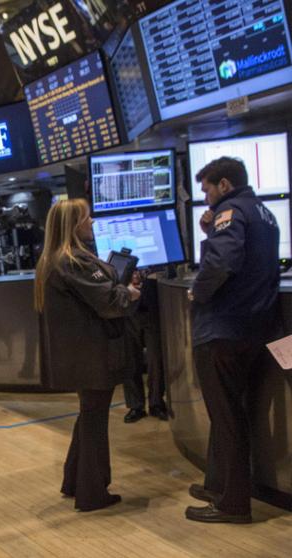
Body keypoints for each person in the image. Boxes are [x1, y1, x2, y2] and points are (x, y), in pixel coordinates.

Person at [185, 156, 280, 524]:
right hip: (255, 329)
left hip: (223, 330)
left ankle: (233, 504)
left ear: (224, 185)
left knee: (226, 418)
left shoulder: (230, 211)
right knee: (231, 414)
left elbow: (223, 261)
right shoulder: (264, 214)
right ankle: (219, 485)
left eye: (207, 188)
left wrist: (197, 293)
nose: (206, 197)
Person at [35, 199, 139, 512]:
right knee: (94, 420)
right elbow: (108, 303)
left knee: (88, 415)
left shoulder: (55, 260)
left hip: (81, 353)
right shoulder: (74, 261)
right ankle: (93, 492)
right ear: (74, 225)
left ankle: (74, 481)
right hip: (94, 353)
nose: (92, 222)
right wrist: (129, 293)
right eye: (87, 218)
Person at [122, 270, 168, 423]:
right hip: (127, 307)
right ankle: (136, 406)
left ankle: (157, 402)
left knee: (156, 358)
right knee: (130, 359)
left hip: (153, 303)